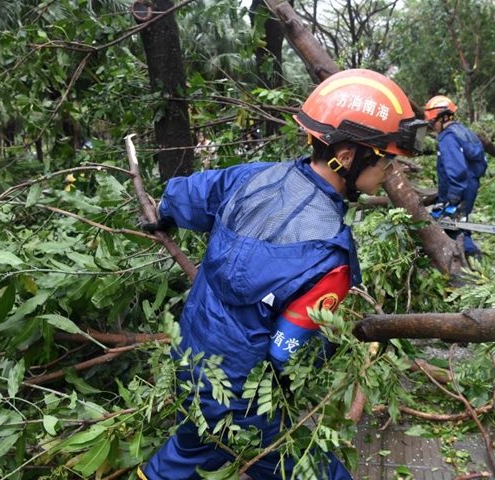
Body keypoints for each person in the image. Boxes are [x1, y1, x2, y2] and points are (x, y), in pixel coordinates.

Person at [139, 69, 427, 480]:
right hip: (240, 399)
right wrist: (334, 346)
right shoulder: (331, 256)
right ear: (347, 157)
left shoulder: (252, 177)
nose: (390, 172)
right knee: (316, 472)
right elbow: (286, 355)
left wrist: (162, 215)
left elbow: (183, 195)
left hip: (188, 359)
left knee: (190, 448)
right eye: (387, 160)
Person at [423, 95, 488, 258]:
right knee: (459, 220)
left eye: (433, 123)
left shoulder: (448, 138)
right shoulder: (464, 132)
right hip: (469, 185)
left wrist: (453, 196)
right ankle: (466, 250)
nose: (434, 127)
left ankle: (469, 253)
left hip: (457, 187)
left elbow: (456, 168)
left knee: (451, 224)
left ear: (443, 117)